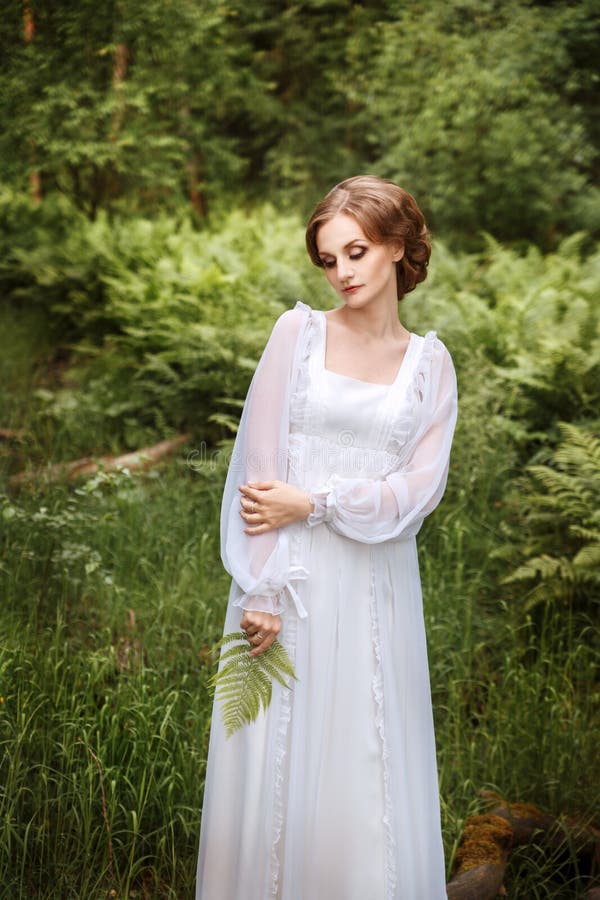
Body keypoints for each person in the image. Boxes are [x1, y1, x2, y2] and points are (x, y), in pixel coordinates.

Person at [196, 175, 457, 899]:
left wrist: (314, 501)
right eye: (327, 260)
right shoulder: (298, 334)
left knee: (362, 763)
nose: (341, 273)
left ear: (397, 248)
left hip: (375, 590)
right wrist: (262, 588)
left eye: (356, 252)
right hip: (289, 583)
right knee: (277, 759)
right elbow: (258, 472)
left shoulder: (431, 366)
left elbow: (417, 491)